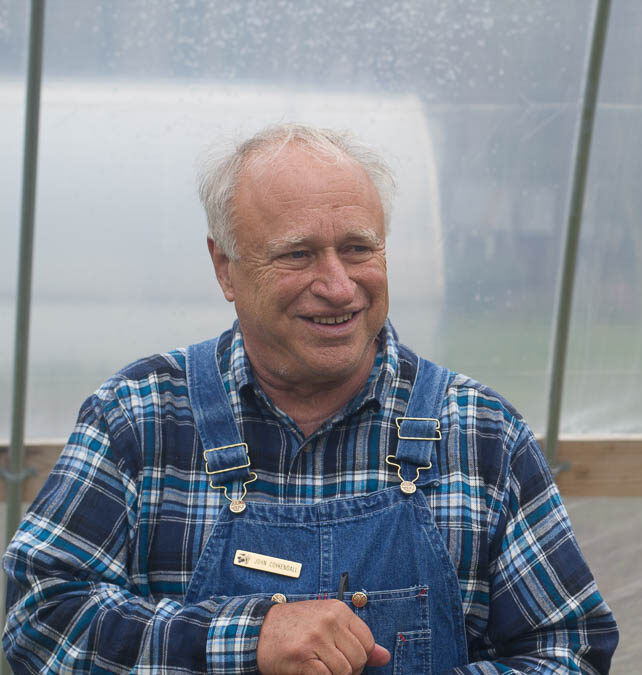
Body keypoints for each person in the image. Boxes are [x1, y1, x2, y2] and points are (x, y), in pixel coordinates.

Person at [3, 124, 617, 674]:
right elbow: (37, 620)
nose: (338, 285)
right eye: (297, 254)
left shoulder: (482, 435)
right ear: (225, 267)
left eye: (357, 248)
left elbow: (570, 650)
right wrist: (245, 640)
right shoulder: (139, 418)